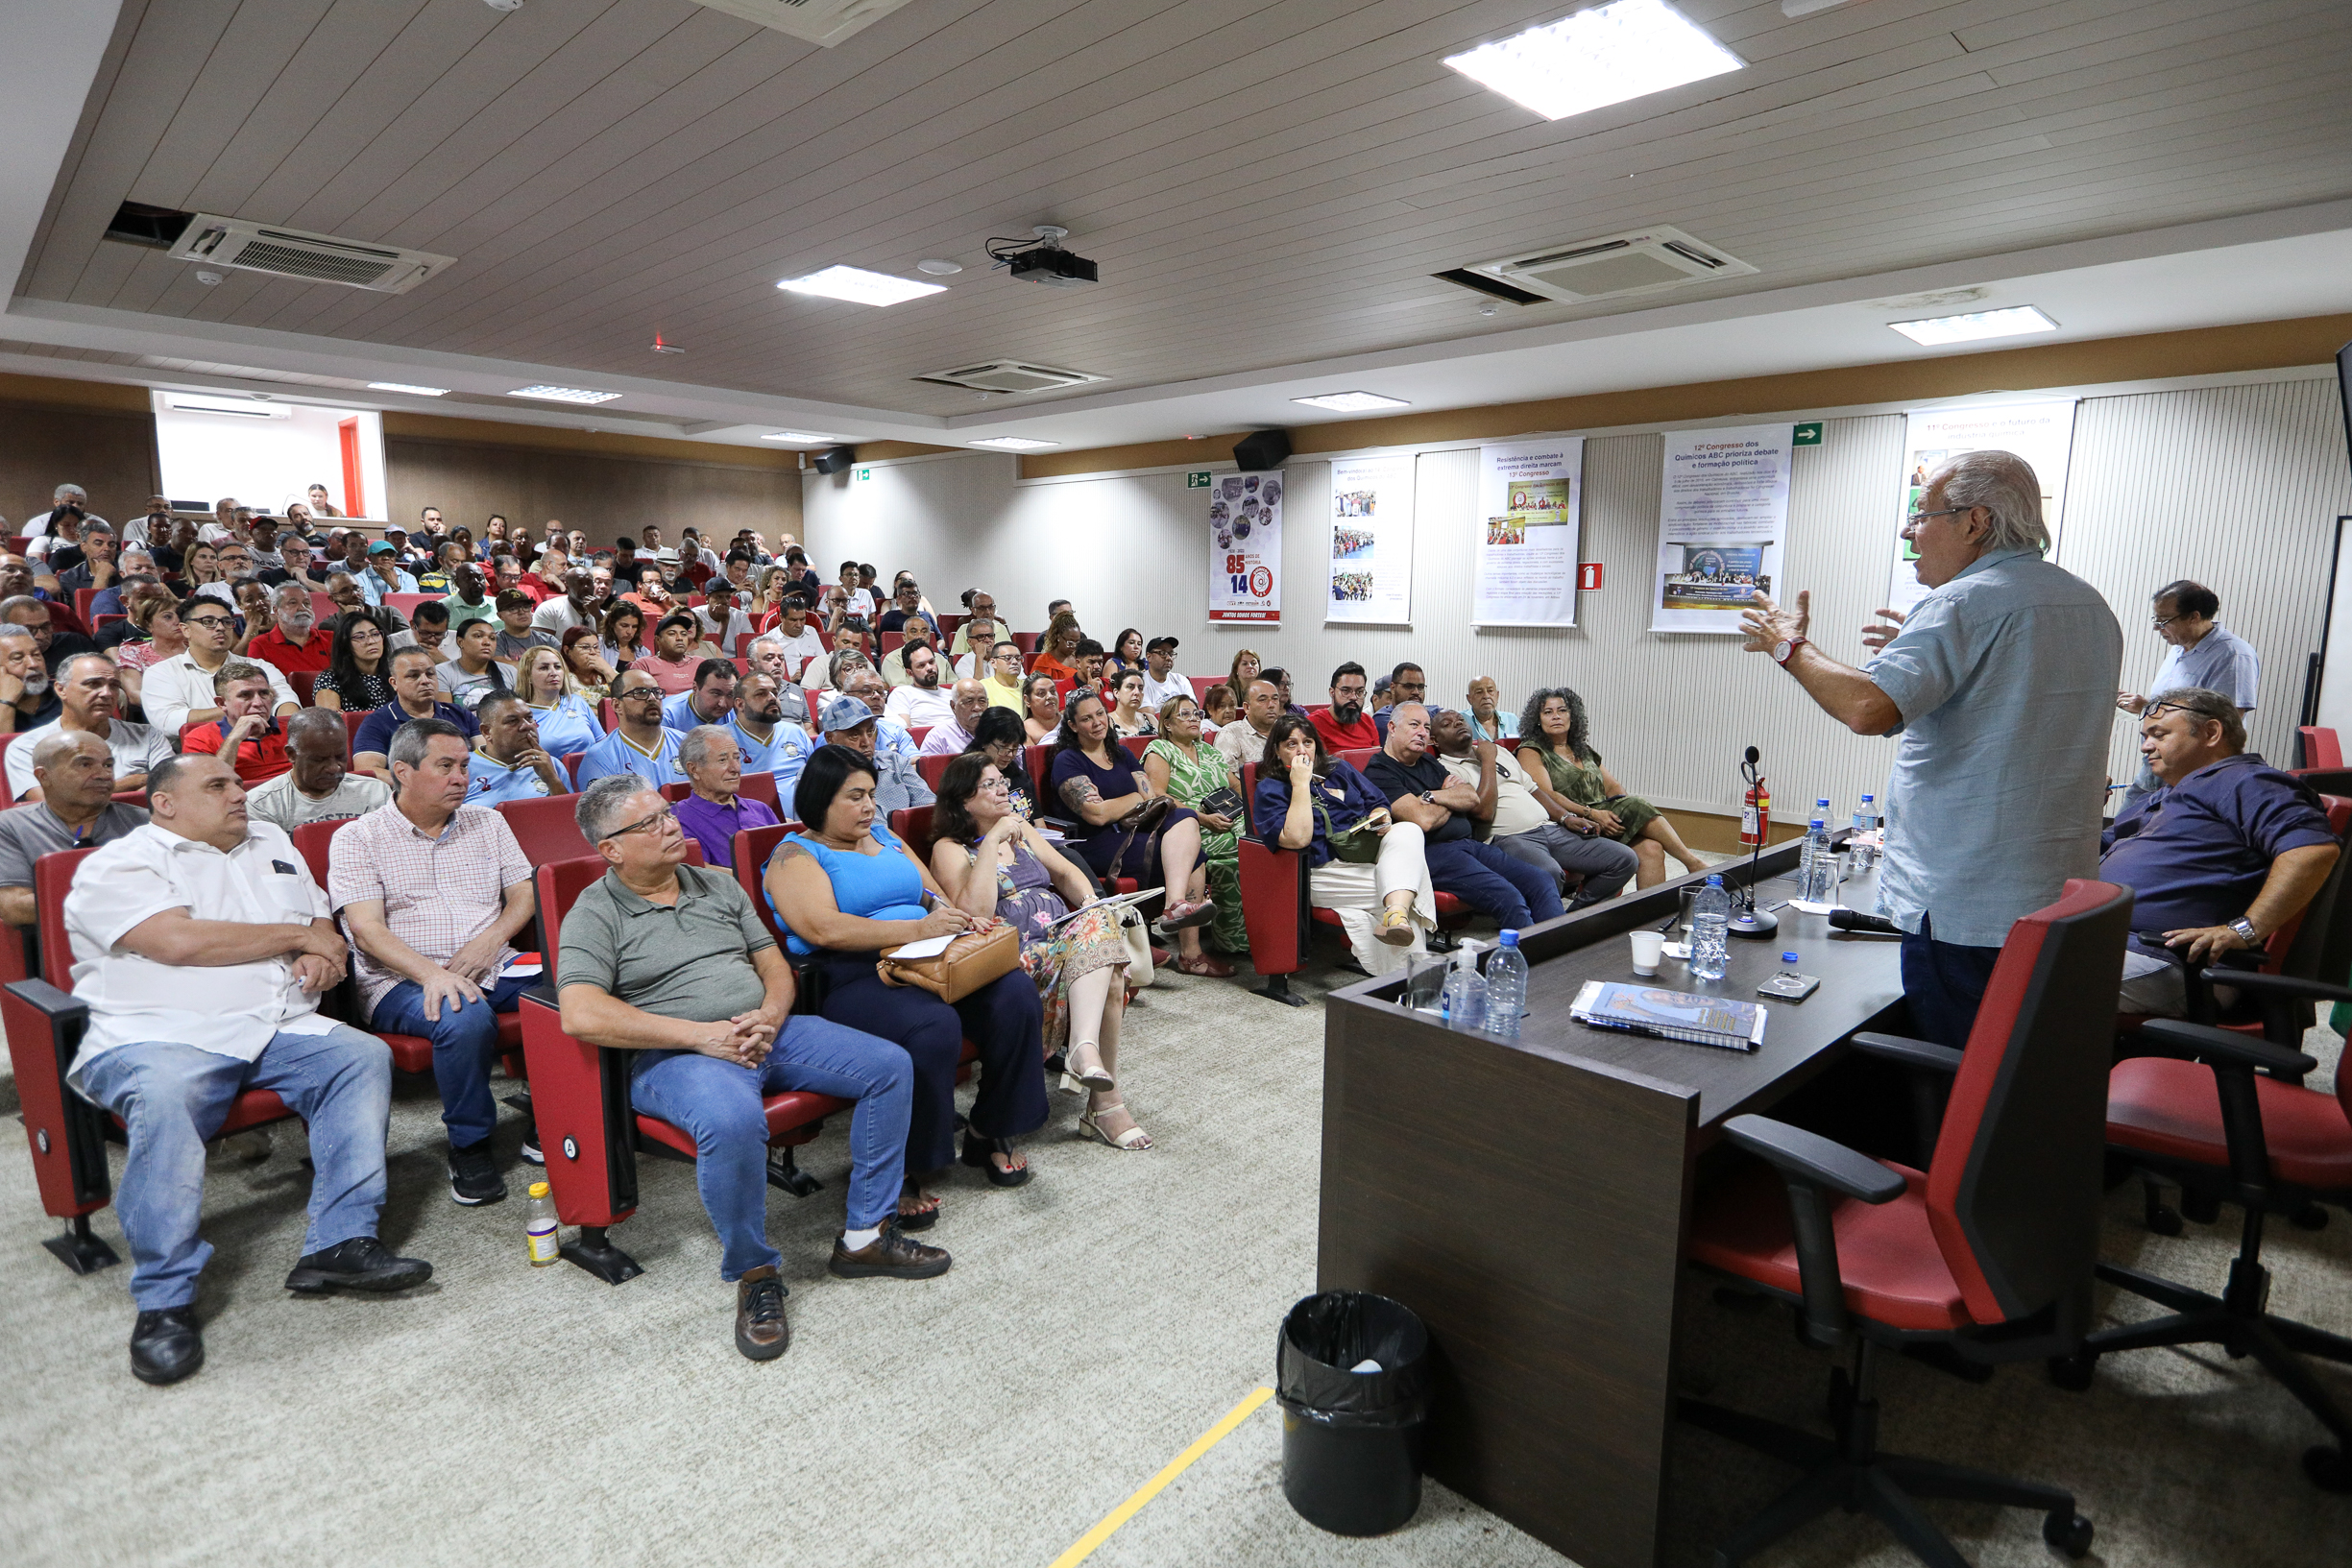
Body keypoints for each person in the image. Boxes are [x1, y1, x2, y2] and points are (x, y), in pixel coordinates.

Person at [64, 752, 432, 1385]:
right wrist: (296, 940)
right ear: (165, 802)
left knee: (357, 1055)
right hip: (161, 1032)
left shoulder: (271, 838)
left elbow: (319, 919)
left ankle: (339, 1242)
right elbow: (176, 941)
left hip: (276, 1021)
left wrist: (323, 953)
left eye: (238, 780)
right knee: (167, 1093)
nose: (239, 791)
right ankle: (163, 1298)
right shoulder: (123, 862)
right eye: (217, 784)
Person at [1737, 448, 2123, 1050]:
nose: (1908, 531)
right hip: (2053, 892)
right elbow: (2013, 696)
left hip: (1968, 905)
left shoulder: (1963, 603)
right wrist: (1922, 652)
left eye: (1923, 514)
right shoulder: (2088, 604)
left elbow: (1868, 709)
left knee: (1962, 1075)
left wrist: (1792, 648)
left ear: (1976, 522)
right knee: (2020, 1063)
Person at [560, 778, 941, 1358]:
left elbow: (774, 963)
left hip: (767, 1030)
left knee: (889, 1064)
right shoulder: (594, 912)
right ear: (610, 848)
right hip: (677, 1055)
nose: (671, 826)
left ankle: (865, 1235)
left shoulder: (715, 882)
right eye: (650, 823)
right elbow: (580, 1013)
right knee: (733, 1122)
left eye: (667, 815)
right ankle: (755, 1274)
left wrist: (769, 1015)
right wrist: (703, 1037)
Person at [764, 744, 1049, 1215]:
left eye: (871, 794)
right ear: (818, 799)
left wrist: (958, 919)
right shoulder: (796, 855)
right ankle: (910, 1163)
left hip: (929, 957)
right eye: (854, 797)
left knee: (1015, 993)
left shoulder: (886, 838)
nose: (868, 806)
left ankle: (987, 1129)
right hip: (852, 974)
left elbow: (932, 895)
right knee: (932, 1025)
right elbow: (822, 928)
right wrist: (916, 929)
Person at [331, 720, 538, 1205]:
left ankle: (554, 1116)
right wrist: (434, 974)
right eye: (445, 766)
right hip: (398, 977)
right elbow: (367, 929)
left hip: (493, 960)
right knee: (462, 1015)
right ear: (402, 771)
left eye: (464, 765)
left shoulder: (488, 822)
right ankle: (469, 1144)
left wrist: (491, 942)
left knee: (573, 981)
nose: (461, 777)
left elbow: (523, 893)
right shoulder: (358, 838)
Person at [930, 754, 1147, 1148]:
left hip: (1061, 937)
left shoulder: (1024, 830)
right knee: (1109, 969)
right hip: (1013, 955)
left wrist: (1089, 903)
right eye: (991, 785)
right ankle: (1103, 1102)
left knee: (1099, 931)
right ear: (963, 799)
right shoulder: (951, 848)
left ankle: (1084, 1056)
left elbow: (1065, 871)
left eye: (1003, 782)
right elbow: (975, 914)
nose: (1004, 791)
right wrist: (992, 840)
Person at [2099, 688, 2340, 1016]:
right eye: (2145, 736)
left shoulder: (2246, 781)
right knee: (2009, 956)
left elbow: (2312, 850)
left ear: (2212, 732)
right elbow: (2094, 848)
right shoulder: (2165, 794)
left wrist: (2242, 929)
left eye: (2159, 734)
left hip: (2169, 959)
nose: (2146, 746)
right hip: (2110, 942)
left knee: (2023, 979)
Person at [1050, 689, 1226, 976]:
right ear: (1072, 726)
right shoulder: (1068, 761)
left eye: (1099, 714)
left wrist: (1119, 803)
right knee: (1195, 855)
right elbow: (1097, 815)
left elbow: (1151, 798)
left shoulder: (1119, 753)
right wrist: (1131, 799)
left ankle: (1174, 906)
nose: (1097, 722)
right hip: (1095, 844)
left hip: (1133, 831)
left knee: (1185, 815)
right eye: (1086, 719)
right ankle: (1190, 952)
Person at [1252, 715, 1436, 973]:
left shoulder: (1338, 769)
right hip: (1317, 873)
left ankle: (1397, 924)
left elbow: (1379, 802)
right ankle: (1413, 976)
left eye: (1307, 742)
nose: (1302, 750)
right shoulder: (1271, 788)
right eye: (1291, 744)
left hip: (1364, 857)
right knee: (1406, 889)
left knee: (1408, 830)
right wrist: (1300, 783)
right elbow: (1297, 838)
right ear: (1277, 750)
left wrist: (1378, 817)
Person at [1366, 703, 1564, 931]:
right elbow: (1423, 820)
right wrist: (1450, 796)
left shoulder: (1427, 761)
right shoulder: (1379, 771)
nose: (1422, 732)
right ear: (1391, 727)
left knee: (1541, 881)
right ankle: (1530, 961)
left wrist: (1430, 797)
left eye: (1426, 727)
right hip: (1433, 854)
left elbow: (1471, 797)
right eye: (1414, 725)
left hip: (1468, 844)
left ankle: (1558, 949)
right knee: (1510, 899)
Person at [1428, 707, 1635, 908]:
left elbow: (1534, 789)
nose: (1457, 724)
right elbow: (1484, 812)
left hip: (1550, 829)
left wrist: (1566, 818)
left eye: (1460, 720)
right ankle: (1550, 927)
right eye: (1447, 724)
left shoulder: (1498, 751)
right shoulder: (1446, 769)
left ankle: (1573, 919)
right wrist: (1488, 760)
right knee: (1549, 873)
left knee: (1624, 859)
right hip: (1508, 839)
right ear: (1434, 740)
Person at [1515, 688, 1707, 889]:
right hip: (1568, 822)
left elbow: (1613, 786)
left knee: (1652, 848)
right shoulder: (1531, 750)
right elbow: (1547, 795)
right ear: (1538, 719)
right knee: (1637, 805)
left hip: (1602, 816)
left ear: (1572, 715)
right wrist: (1593, 814)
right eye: (1548, 712)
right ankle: (1693, 863)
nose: (1556, 716)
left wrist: (1616, 814)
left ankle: (1648, 916)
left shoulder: (1582, 749)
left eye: (1562, 710)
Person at [2115, 580, 2262, 806]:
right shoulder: (2178, 648)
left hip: (2192, 772)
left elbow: (2224, 722)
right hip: (2158, 763)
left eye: (2164, 621)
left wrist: (2147, 708)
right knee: (2125, 832)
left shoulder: (2232, 655)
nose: (2157, 628)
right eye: (2156, 620)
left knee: (2160, 835)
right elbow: (2177, 707)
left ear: (2194, 617)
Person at [0, 733, 150, 926]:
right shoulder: (11, 826)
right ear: (43, 776)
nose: (103, 775)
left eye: (108, 765)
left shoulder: (144, 821)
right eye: (85, 764)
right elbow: (16, 909)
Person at [1143, 693, 1247, 954]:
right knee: (1245, 848)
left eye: (1197, 714)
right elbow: (1158, 796)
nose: (1194, 719)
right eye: (1185, 714)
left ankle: (1262, 933)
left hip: (1230, 814)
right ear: (1167, 723)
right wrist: (1201, 818)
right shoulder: (1160, 750)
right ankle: (1233, 939)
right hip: (1190, 824)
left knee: (1259, 840)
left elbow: (1235, 785)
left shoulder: (1208, 750)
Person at [7, 653, 169, 802]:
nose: (107, 693)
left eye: (113, 685)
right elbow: (48, 802)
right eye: (93, 684)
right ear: (61, 689)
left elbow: (172, 789)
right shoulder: (27, 746)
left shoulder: (148, 736)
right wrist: (137, 781)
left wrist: (77, 792)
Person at [140, 594, 298, 735]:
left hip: (264, 750)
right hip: (197, 758)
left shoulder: (261, 667)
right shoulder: (162, 672)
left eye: (227, 622)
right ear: (185, 630)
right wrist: (243, 709)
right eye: (208, 622)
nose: (221, 628)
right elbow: (170, 723)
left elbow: (288, 708)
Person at [245, 709, 391, 831]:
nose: (334, 768)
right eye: (319, 760)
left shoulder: (375, 792)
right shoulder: (261, 804)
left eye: (340, 757)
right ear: (291, 754)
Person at [352, 646, 479, 782]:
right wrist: (418, 785)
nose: (425, 681)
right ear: (394, 683)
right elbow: (367, 771)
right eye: (413, 675)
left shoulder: (459, 713)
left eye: (430, 674)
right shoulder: (377, 722)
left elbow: (487, 755)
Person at [675, 725, 780, 864]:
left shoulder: (761, 809)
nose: (735, 768)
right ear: (694, 769)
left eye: (736, 758)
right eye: (722, 760)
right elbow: (700, 872)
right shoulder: (678, 818)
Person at [178, 663, 293, 784]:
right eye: (245, 695)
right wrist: (234, 738)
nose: (258, 703)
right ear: (222, 703)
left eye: (263, 693)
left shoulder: (295, 729)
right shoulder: (200, 738)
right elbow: (207, 786)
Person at [818, 693, 934, 814]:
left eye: (870, 731)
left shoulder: (896, 762)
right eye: (854, 735)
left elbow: (929, 806)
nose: (867, 742)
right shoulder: (818, 775)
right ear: (830, 738)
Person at [576, 668, 688, 788]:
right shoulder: (600, 757)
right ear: (617, 705)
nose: (652, 698)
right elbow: (603, 806)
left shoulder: (686, 743)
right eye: (640, 693)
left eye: (656, 692)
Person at [464, 691, 566, 804]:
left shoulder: (552, 764)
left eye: (529, 718)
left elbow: (570, 817)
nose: (527, 725)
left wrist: (552, 780)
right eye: (513, 721)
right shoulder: (462, 767)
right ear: (487, 731)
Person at [513, 644, 602, 759]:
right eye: (544, 668)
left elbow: (602, 744)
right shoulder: (520, 714)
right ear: (528, 676)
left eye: (557, 667)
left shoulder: (577, 702)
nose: (553, 673)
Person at [960, 707, 1043, 821]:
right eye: (1003, 747)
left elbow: (1038, 821)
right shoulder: (965, 777)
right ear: (984, 741)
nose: (1010, 755)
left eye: (1015, 748)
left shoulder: (1020, 777)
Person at [726, 671, 810, 782]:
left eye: (775, 693)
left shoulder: (795, 732)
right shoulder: (721, 739)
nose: (772, 698)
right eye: (761, 694)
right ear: (740, 704)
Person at [313, 611, 397, 712]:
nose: (371, 641)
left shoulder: (396, 673)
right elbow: (330, 721)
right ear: (345, 643)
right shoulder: (330, 678)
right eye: (360, 637)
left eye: (375, 634)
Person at [246, 583, 331, 675]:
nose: (302, 608)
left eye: (306, 603)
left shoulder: (332, 638)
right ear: (276, 610)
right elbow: (258, 683)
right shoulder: (260, 645)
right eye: (293, 603)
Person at [435, 616, 510, 711]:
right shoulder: (442, 672)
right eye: (478, 636)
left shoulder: (510, 671)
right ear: (460, 642)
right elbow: (448, 717)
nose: (487, 642)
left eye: (492, 638)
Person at [1215, 676, 1285, 770]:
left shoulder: (1287, 730)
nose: (1271, 705)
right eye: (1263, 700)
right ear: (1247, 707)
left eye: (1275, 699)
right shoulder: (1231, 733)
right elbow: (1225, 773)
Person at [885, 643, 958, 731]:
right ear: (910, 673)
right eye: (921, 665)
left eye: (931, 662)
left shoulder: (952, 694)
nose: (930, 668)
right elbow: (904, 734)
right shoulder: (901, 694)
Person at [1312, 662, 1381, 752]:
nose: (1353, 697)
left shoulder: (1368, 722)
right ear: (1332, 692)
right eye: (1346, 691)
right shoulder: (1315, 723)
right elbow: (1320, 764)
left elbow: (1376, 761)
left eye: (1359, 692)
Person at [633, 612, 705, 695]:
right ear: (658, 640)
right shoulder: (644, 665)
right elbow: (639, 699)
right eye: (672, 634)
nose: (679, 638)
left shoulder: (700, 663)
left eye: (684, 634)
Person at [917, 676, 989, 758]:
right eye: (969, 702)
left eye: (982, 701)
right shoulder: (939, 736)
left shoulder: (997, 730)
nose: (977, 708)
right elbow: (929, 768)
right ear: (953, 706)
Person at [663, 658, 738, 736]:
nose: (722, 704)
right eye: (716, 693)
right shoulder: (667, 716)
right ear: (695, 689)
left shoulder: (738, 711)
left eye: (730, 695)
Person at [492, 588, 559, 663]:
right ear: (500, 616)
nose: (522, 612)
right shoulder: (494, 641)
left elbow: (562, 666)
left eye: (526, 607)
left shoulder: (549, 640)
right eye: (513, 609)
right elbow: (503, 668)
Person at [533, 567, 603, 638]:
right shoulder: (549, 609)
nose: (586, 587)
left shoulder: (602, 614)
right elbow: (540, 644)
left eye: (589, 583)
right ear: (567, 586)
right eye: (580, 583)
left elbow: (609, 645)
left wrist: (598, 615)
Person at [693, 576, 756, 653]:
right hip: (707, 660)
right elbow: (710, 652)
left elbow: (752, 646)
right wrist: (724, 622)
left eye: (728, 597)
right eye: (719, 597)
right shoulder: (696, 616)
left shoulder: (740, 616)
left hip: (735, 660)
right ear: (707, 599)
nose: (725, 601)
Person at [1372, 663, 1426, 740]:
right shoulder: (1383, 718)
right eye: (1409, 686)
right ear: (1393, 688)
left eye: (1420, 687)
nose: (1416, 692)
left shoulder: (1430, 712)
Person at [561, 625, 615, 700]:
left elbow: (627, 699)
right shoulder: (562, 677)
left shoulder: (608, 671)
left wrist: (608, 672)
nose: (593, 652)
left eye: (596, 647)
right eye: (585, 647)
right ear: (567, 651)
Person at [878, 615, 935, 688]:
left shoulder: (941, 659)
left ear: (929, 636)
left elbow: (952, 688)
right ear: (904, 637)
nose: (920, 636)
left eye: (924, 632)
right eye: (914, 632)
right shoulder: (892, 659)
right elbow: (900, 690)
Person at [1031, 613, 1082, 684]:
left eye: (1077, 642)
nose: (1074, 646)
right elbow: (1036, 688)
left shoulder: (1080, 659)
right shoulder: (1044, 662)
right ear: (1058, 637)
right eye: (1070, 642)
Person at [1465, 675, 1518, 744]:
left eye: (1490, 691)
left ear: (1497, 695)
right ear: (1469, 698)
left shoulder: (1512, 720)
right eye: (1479, 692)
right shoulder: (1460, 721)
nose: (1486, 696)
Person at [1139, 637, 1189, 710]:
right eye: (1163, 653)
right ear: (1149, 657)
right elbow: (1148, 716)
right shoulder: (1140, 682)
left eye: (1171, 654)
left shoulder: (1181, 680)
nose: (1169, 658)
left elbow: (1192, 710)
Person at [1106, 668, 1157, 738]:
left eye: (1140, 688)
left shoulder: (1151, 719)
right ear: (1116, 693)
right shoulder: (1107, 722)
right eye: (1130, 687)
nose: (1137, 692)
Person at [981, 639, 1027, 711]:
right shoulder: (982, 687)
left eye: (1018, 658)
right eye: (1008, 658)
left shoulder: (1028, 687)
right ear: (993, 663)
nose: (1015, 662)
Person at [1020, 672, 1062, 744]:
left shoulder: (1071, 723)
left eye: (1053, 691)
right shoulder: (1022, 730)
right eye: (1041, 693)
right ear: (1027, 700)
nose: (1050, 696)